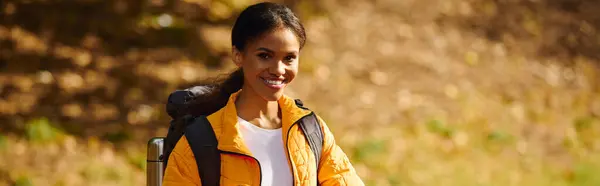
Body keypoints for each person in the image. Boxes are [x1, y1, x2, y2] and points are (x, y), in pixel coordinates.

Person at [162, 2, 364, 186]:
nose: (278, 69)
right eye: (265, 56)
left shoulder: (310, 129)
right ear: (238, 55)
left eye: (289, 58)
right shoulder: (200, 140)